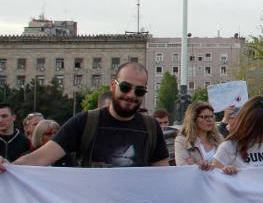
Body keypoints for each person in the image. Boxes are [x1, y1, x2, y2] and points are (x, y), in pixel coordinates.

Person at [8, 62, 168, 169]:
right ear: (113, 86)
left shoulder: (151, 127)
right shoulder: (85, 122)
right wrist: (7, 168)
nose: (131, 95)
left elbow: (162, 175)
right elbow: (40, 158)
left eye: (139, 90)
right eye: (125, 87)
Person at [175, 102, 223, 168]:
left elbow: (229, 162)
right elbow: (183, 168)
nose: (209, 120)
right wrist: (200, 166)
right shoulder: (182, 141)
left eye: (211, 117)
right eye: (204, 117)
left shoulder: (219, 138)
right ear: (193, 119)